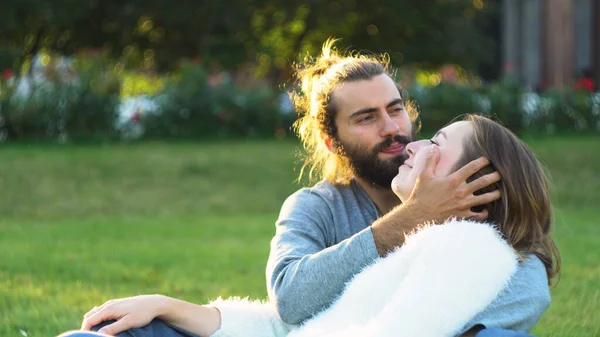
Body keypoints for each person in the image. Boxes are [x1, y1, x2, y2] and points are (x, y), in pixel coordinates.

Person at [60, 40, 553, 336]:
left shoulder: (478, 252)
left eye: (396, 108)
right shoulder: (315, 208)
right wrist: (412, 217)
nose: (395, 130)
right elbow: (291, 308)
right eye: (366, 118)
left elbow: (522, 286)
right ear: (331, 139)